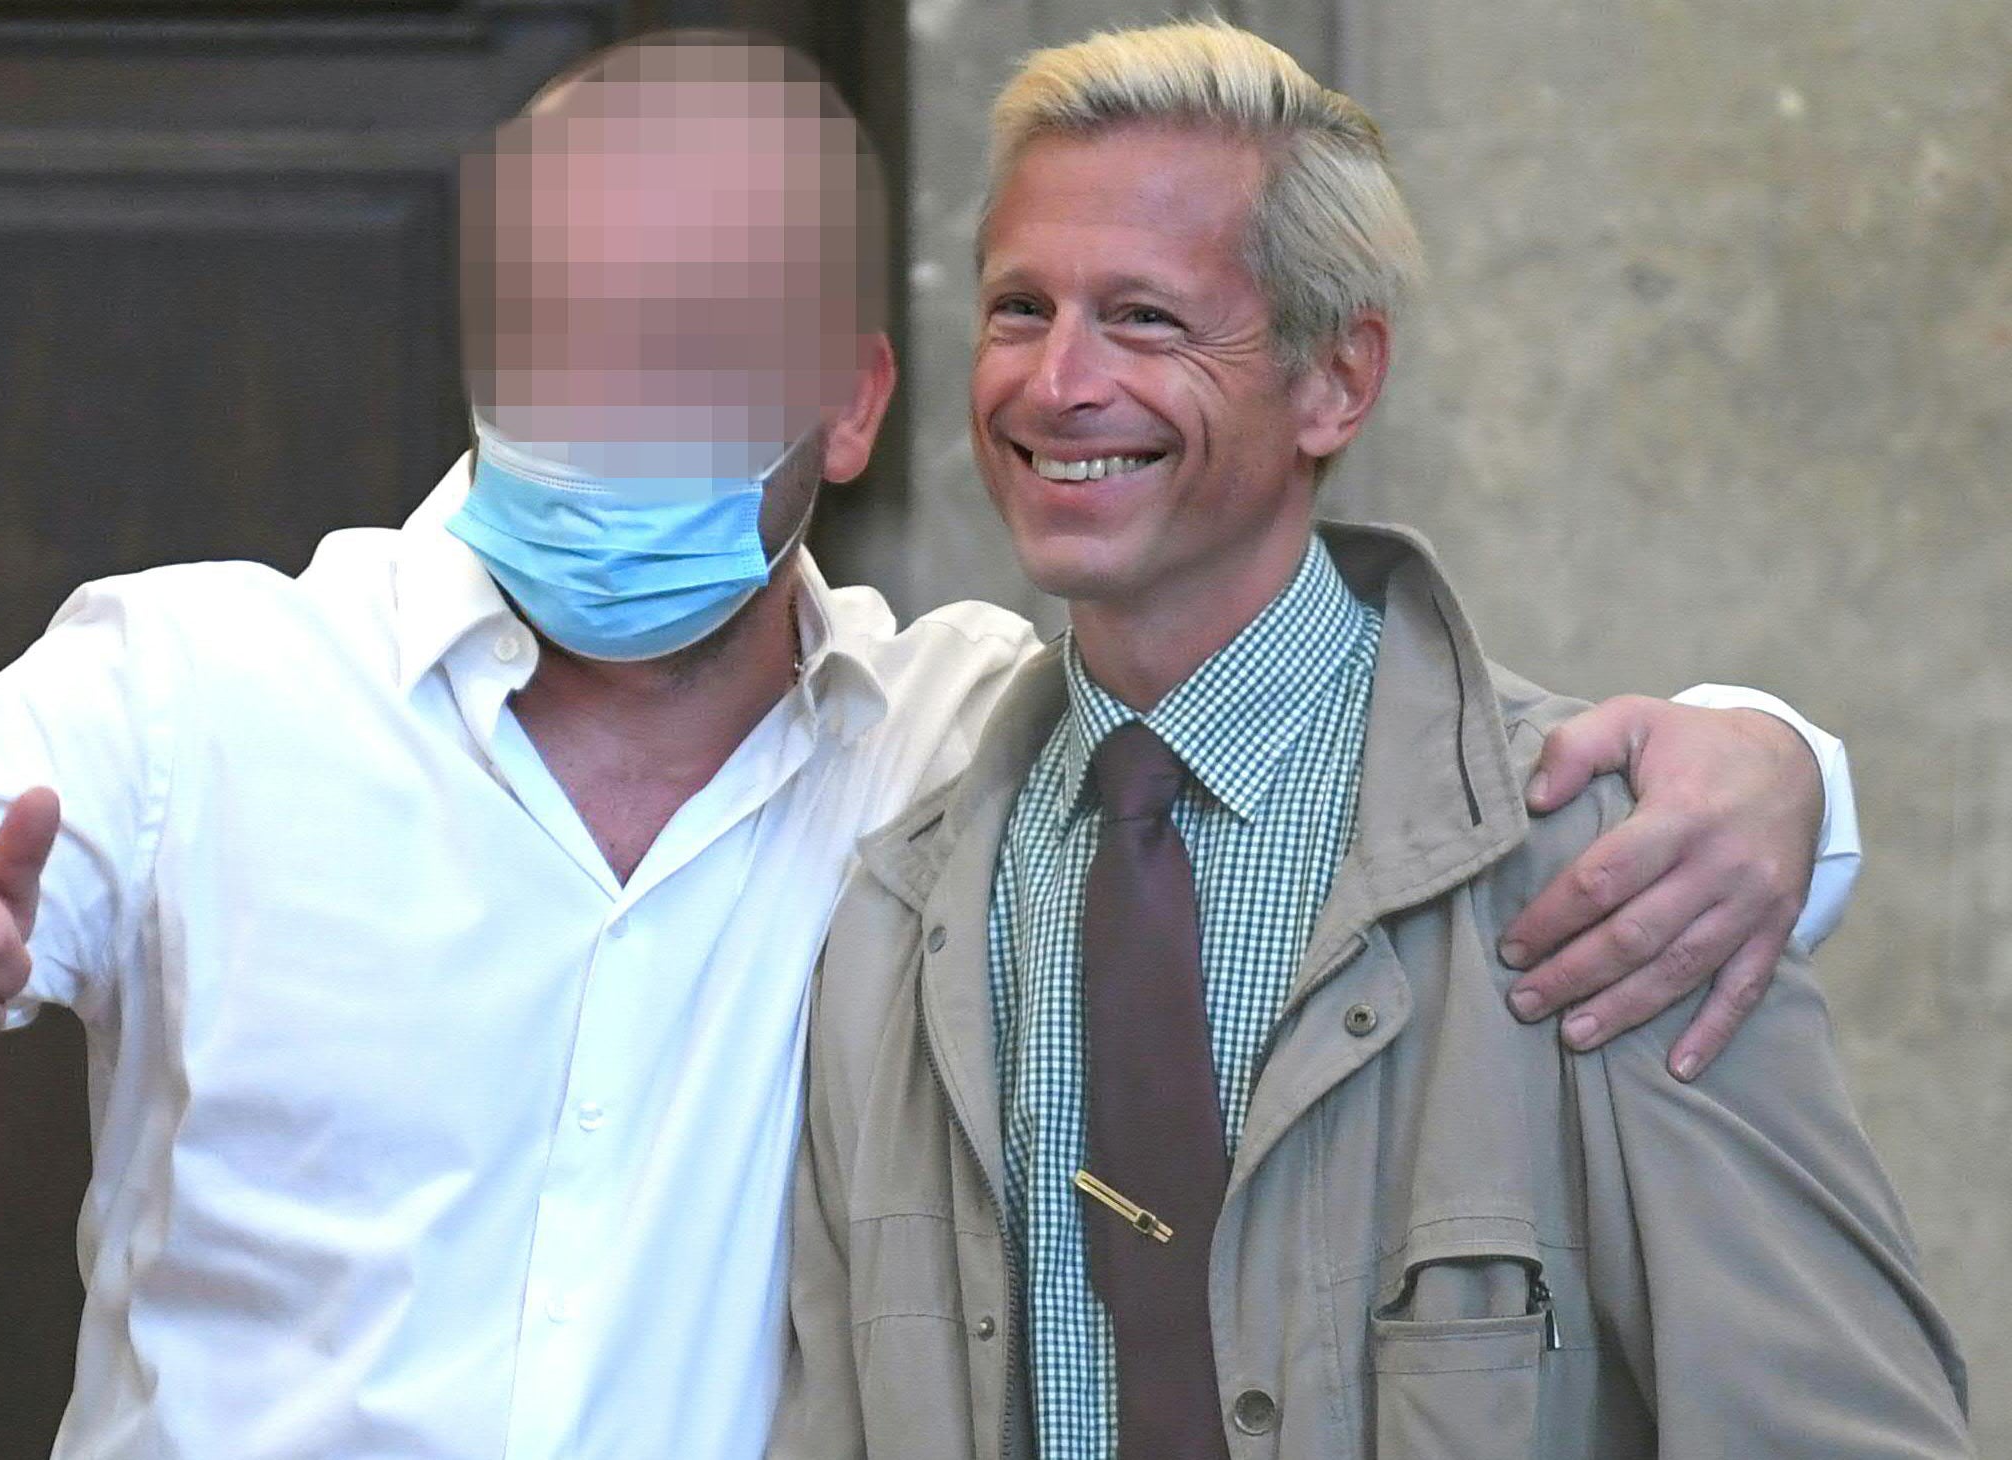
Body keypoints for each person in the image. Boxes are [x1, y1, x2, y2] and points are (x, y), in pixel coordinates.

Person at [0, 32, 1864, 1460]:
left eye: (691, 346)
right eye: (559, 337)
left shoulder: (961, 739)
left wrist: (1778, 765)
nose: (610, 406)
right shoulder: (200, 688)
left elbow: (1360, 758)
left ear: (851, 403)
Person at [768, 21, 1968, 1460]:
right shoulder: (896, 926)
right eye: (1021, 308)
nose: (1057, 382)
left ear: (1337, 380)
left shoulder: (1617, 875)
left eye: (1145, 319)